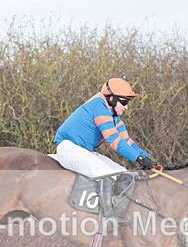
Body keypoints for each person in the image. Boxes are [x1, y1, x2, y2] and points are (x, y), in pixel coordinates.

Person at [53, 78, 158, 219]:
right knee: (107, 175)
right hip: (68, 148)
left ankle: (118, 214)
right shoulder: (99, 106)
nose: (126, 107)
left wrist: (147, 158)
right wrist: (138, 159)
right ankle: (108, 217)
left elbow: (126, 141)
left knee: (124, 174)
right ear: (111, 98)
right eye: (124, 102)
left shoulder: (113, 116)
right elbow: (114, 141)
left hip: (83, 151)